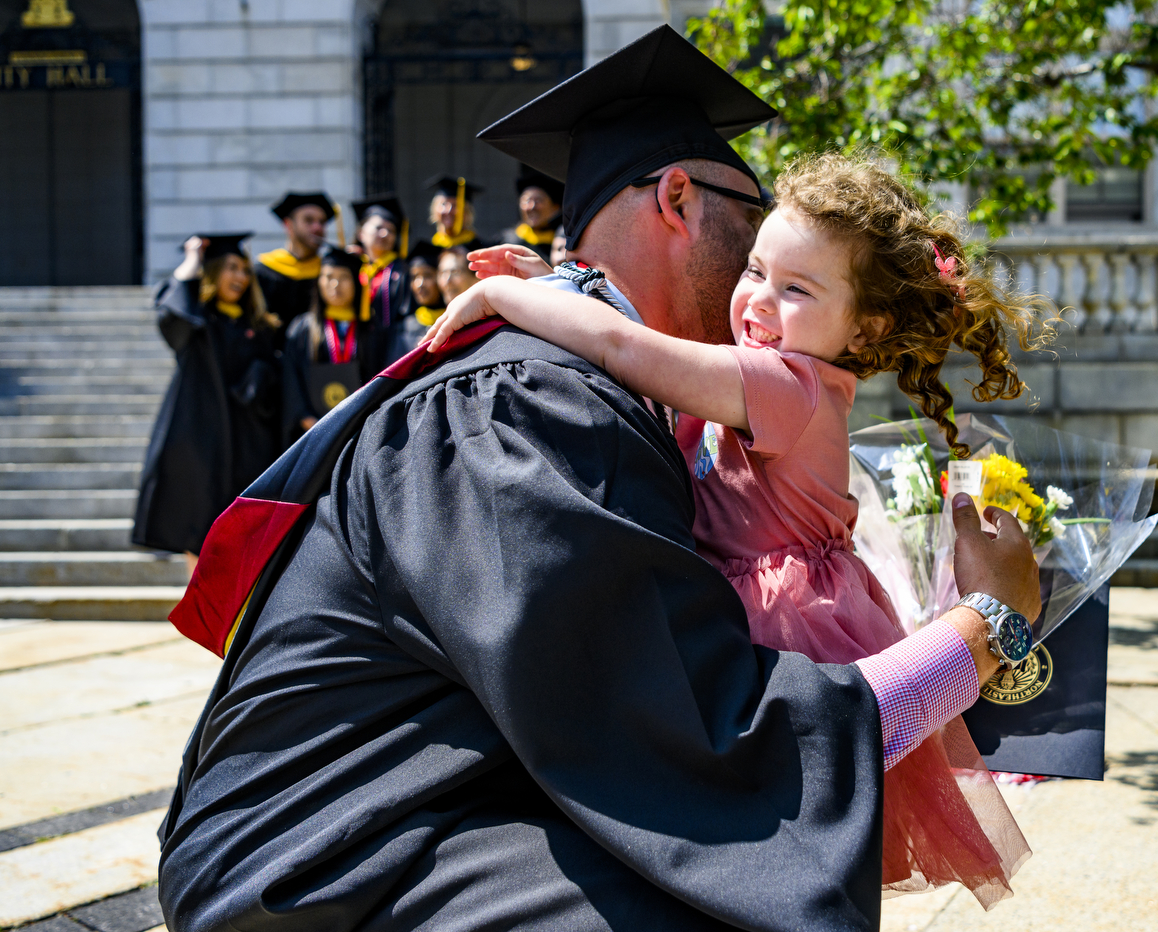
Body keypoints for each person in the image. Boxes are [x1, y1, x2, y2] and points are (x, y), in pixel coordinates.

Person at [156, 25, 1041, 931]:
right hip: (316, 860)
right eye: (749, 238)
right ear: (679, 198)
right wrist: (986, 627)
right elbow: (696, 733)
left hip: (406, 819)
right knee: (712, 901)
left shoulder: (580, 383)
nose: (754, 282)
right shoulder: (521, 399)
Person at [431, 151, 1046, 905]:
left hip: (788, 620)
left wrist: (504, 297)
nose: (757, 299)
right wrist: (555, 287)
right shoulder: (758, 370)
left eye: (797, 289)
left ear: (865, 326)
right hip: (749, 595)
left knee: (783, 839)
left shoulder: (789, 385)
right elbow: (649, 374)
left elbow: (628, 351)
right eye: (754, 270)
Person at [131, 233, 282, 574]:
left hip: (247, 441)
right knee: (199, 529)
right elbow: (171, 318)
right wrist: (191, 260)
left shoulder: (258, 326)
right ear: (213, 272)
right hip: (202, 439)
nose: (240, 277)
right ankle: (200, 620)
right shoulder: (198, 323)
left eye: (244, 270)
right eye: (230, 268)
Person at [281, 247, 371, 446]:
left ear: (356, 282)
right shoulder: (303, 328)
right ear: (318, 282)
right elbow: (291, 378)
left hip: (360, 430)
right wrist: (307, 419)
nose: (335, 285)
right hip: (313, 432)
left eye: (344, 277)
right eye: (328, 276)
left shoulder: (370, 330)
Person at [350, 194, 411, 370]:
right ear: (361, 232)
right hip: (355, 351)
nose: (385, 234)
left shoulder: (402, 271)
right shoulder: (351, 268)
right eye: (378, 228)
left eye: (391, 230)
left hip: (390, 351)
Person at [255, 192, 334, 327]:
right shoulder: (263, 271)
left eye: (322, 222)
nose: (317, 227)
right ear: (288, 224)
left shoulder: (329, 273)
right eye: (308, 220)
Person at [386, 240, 445, 361]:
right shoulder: (405, 328)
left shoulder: (457, 321)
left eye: (428, 275)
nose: (419, 284)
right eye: (414, 277)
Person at [498, 165, 564, 260]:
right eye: (526, 201)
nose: (531, 207)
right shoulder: (507, 241)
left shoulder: (563, 243)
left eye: (538, 201)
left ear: (555, 207)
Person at [425, 174, 493, 249]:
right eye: (443, 204)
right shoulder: (425, 254)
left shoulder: (481, 251)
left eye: (455, 205)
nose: (448, 210)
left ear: (467, 211)